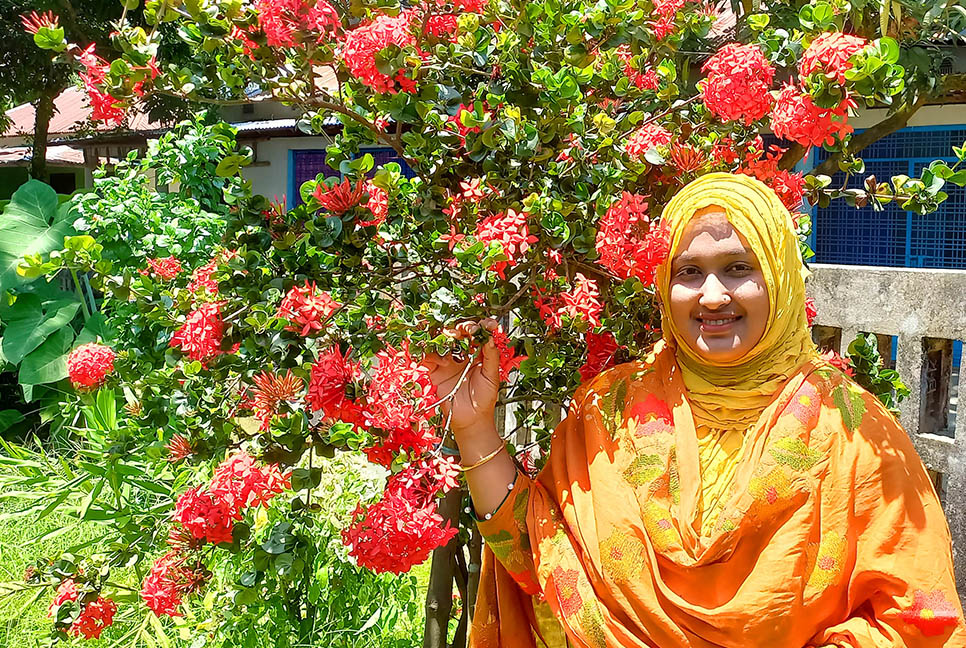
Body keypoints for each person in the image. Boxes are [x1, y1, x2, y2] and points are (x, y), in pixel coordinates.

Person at [425, 172, 966, 647]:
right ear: (664, 284)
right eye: (688, 272)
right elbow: (537, 557)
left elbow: (918, 620)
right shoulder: (610, 411)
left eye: (737, 267)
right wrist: (474, 429)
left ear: (779, 277)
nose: (712, 296)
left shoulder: (856, 434)